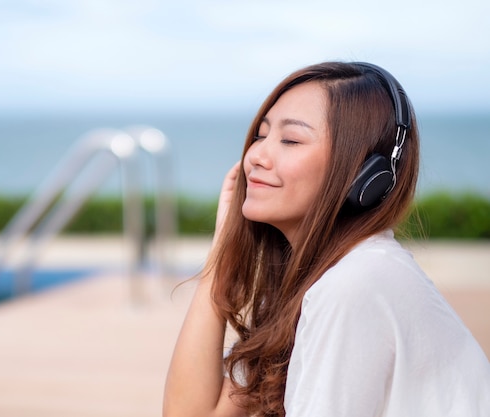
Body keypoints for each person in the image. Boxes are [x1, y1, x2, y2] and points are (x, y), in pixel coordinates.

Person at [163, 61, 490, 417]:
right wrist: (223, 253)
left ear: (364, 174)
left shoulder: (355, 285)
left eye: (290, 140)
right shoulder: (313, 285)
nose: (255, 156)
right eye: (261, 134)